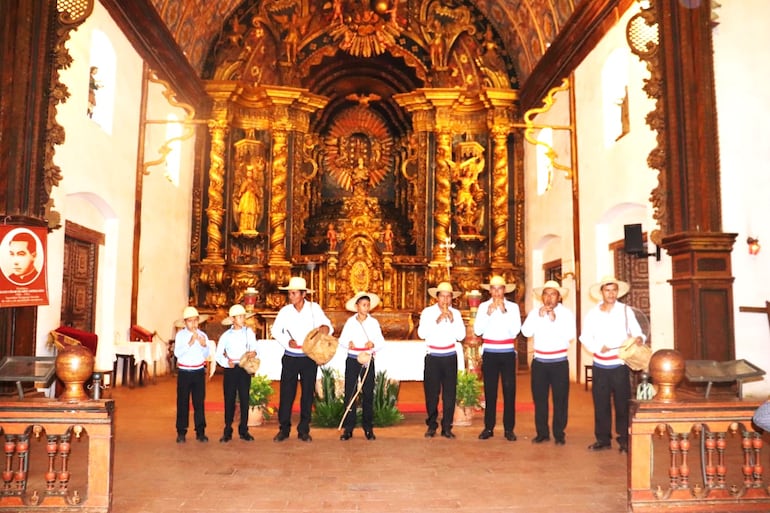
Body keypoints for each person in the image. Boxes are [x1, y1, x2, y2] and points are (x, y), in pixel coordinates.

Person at [580, 275, 645, 453]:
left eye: (614, 290)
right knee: (601, 403)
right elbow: (584, 336)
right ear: (601, 292)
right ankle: (602, 439)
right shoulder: (593, 313)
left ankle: (624, 439)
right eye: (607, 290)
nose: (611, 293)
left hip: (619, 365)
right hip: (600, 366)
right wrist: (596, 347)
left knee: (622, 403)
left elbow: (638, 332)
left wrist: (639, 338)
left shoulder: (625, 310)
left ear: (618, 292)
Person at [271, 276, 334, 442]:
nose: (290, 296)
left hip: (308, 358)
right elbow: (276, 331)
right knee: (286, 393)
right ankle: (284, 429)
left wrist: (324, 329)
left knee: (307, 393)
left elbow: (329, 326)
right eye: (290, 294)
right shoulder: (285, 311)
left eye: (294, 293)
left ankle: (304, 429)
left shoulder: (314, 309)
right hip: (290, 357)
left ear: (303, 294)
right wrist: (287, 341)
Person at [520, 280, 575, 445]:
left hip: (559, 362)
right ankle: (542, 432)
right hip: (540, 362)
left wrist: (554, 319)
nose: (549, 297)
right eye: (546, 293)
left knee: (560, 399)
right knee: (540, 399)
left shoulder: (566, 314)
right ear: (542, 296)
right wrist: (538, 316)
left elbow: (570, 335)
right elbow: (525, 332)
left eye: (553, 294)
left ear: (558, 297)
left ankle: (559, 433)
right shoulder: (535, 313)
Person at [472, 275, 521, 441]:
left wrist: (504, 311)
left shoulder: (513, 307)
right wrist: (488, 313)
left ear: (504, 290)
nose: (496, 292)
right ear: (490, 291)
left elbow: (515, 331)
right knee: (490, 391)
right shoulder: (483, 307)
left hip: (507, 351)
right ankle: (488, 427)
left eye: (499, 288)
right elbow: (478, 330)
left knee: (509, 391)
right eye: (493, 289)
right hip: (490, 352)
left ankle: (509, 429)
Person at [418, 281, 466, 439]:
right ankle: (432, 424)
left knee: (449, 394)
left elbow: (461, 336)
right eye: (442, 296)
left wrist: (452, 321)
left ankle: (447, 426)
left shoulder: (456, 314)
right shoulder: (427, 312)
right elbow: (422, 334)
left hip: (450, 356)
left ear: (452, 298)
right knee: (431, 393)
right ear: (436, 297)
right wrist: (437, 321)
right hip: (433, 356)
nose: (445, 300)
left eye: (448, 297)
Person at [339, 291, 385, 441]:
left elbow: (381, 341)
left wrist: (373, 344)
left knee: (367, 393)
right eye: (363, 304)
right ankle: (348, 428)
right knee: (350, 393)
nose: (366, 307)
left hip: (367, 359)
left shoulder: (373, 323)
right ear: (357, 306)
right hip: (353, 359)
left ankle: (368, 427)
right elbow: (342, 340)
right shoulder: (350, 322)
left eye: (367, 305)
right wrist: (349, 343)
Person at [215, 304, 259, 443]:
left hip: (244, 367)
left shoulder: (249, 333)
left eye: (243, 316)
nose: (242, 319)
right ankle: (227, 429)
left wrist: (253, 352)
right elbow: (218, 354)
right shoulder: (226, 336)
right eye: (239, 316)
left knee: (244, 398)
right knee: (229, 398)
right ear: (233, 319)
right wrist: (225, 362)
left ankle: (243, 429)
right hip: (231, 368)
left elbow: (255, 348)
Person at [174, 306, 211, 443]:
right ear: (185, 323)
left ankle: (200, 431)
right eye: (190, 321)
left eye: (195, 321)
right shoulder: (180, 336)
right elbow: (177, 354)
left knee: (199, 402)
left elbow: (207, 355)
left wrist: (203, 345)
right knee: (182, 402)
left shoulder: (203, 335)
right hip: (184, 372)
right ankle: (181, 431)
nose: (193, 324)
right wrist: (190, 343)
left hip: (198, 372)